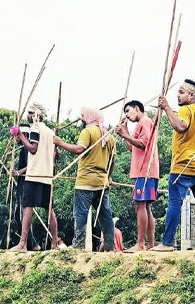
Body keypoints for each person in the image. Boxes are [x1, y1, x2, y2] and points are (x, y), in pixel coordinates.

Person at [151, 79, 195, 251]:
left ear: (192, 95)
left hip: (182, 167)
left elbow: (180, 126)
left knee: (175, 203)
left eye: (181, 92)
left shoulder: (186, 110)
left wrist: (166, 108)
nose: (178, 95)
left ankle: (167, 243)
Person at [54, 107, 116, 251]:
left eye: (83, 116)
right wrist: (108, 176)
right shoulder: (109, 135)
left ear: (89, 117)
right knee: (106, 217)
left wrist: (60, 142)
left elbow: (79, 149)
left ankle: (79, 245)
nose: (81, 118)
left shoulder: (87, 132)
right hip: (102, 183)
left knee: (80, 216)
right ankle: (110, 247)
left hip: (85, 183)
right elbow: (112, 161)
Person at [10, 104, 59, 252]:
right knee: (49, 209)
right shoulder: (51, 132)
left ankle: (23, 243)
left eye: (30, 113)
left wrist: (20, 136)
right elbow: (56, 153)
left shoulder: (35, 129)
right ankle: (55, 244)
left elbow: (32, 148)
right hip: (47, 175)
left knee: (27, 207)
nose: (29, 116)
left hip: (34, 174)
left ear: (36, 114)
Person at [115, 100, 159, 252]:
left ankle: (140, 244)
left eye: (128, 111)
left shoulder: (144, 122)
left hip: (144, 171)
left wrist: (125, 134)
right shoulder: (141, 125)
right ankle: (150, 244)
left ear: (136, 108)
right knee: (145, 205)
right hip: (146, 170)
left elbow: (144, 143)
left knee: (140, 204)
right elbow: (133, 148)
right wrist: (125, 133)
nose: (126, 114)